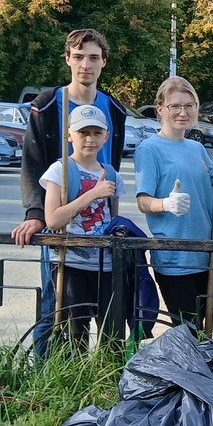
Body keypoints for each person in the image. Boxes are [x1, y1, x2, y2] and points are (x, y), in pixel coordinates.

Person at [11, 29, 128, 356]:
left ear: (104, 62)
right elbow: (32, 163)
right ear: (68, 59)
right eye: (78, 57)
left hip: (100, 227)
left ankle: (96, 377)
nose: (85, 65)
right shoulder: (48, 105)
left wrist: (113, 216)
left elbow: (113, 165)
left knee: (102, 311)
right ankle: (45, 380)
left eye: (93, 57)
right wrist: (36, 215)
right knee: (55, 307)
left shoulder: (113, 109)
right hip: (62, 221)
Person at [38, 105, 125, 348]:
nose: (90, 139)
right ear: (69, 135)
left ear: (106, 136)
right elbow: (53, 220)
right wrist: (93, 194)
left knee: (111, 331)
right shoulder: (60, 171)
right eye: (83, 132)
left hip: (106, 265)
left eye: (97, 133)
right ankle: (75, 380)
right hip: (71, 264)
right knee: (75, 331)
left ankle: (109, 379)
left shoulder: (111, 174)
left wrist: (118, 231)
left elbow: (112, 219)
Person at [135, 76, 213, 329]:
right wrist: (165, 204)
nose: (183, 112)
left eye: (190, 105)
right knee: (187, 330)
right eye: (175, 106)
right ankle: (184, 370)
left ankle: (201, 370)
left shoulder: (196, 148)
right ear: (160, 109)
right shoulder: (150, 149)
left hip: (206, 254)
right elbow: (143, 201)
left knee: (203, 329)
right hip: (175, 257)